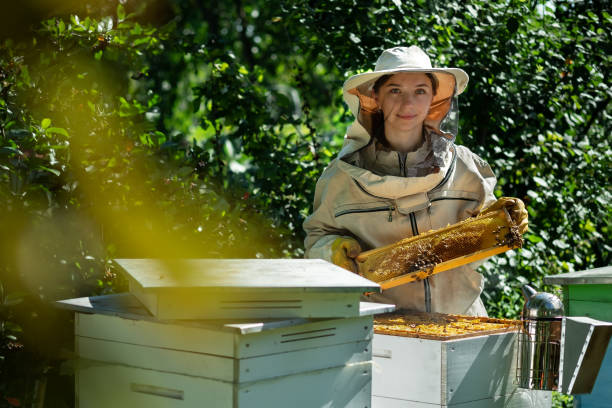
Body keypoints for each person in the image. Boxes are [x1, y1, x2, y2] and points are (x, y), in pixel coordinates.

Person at [303, 46, 527, 316]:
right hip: (379, 330)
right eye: (395, 90)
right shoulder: (340, 177)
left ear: (434, 97)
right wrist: (330, 251)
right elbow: (315, 242)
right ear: (376, 96)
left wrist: (503, 221)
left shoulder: (466, 167)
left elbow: (485, 241)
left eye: (420, 91)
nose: (408, 104)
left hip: (458, 320)